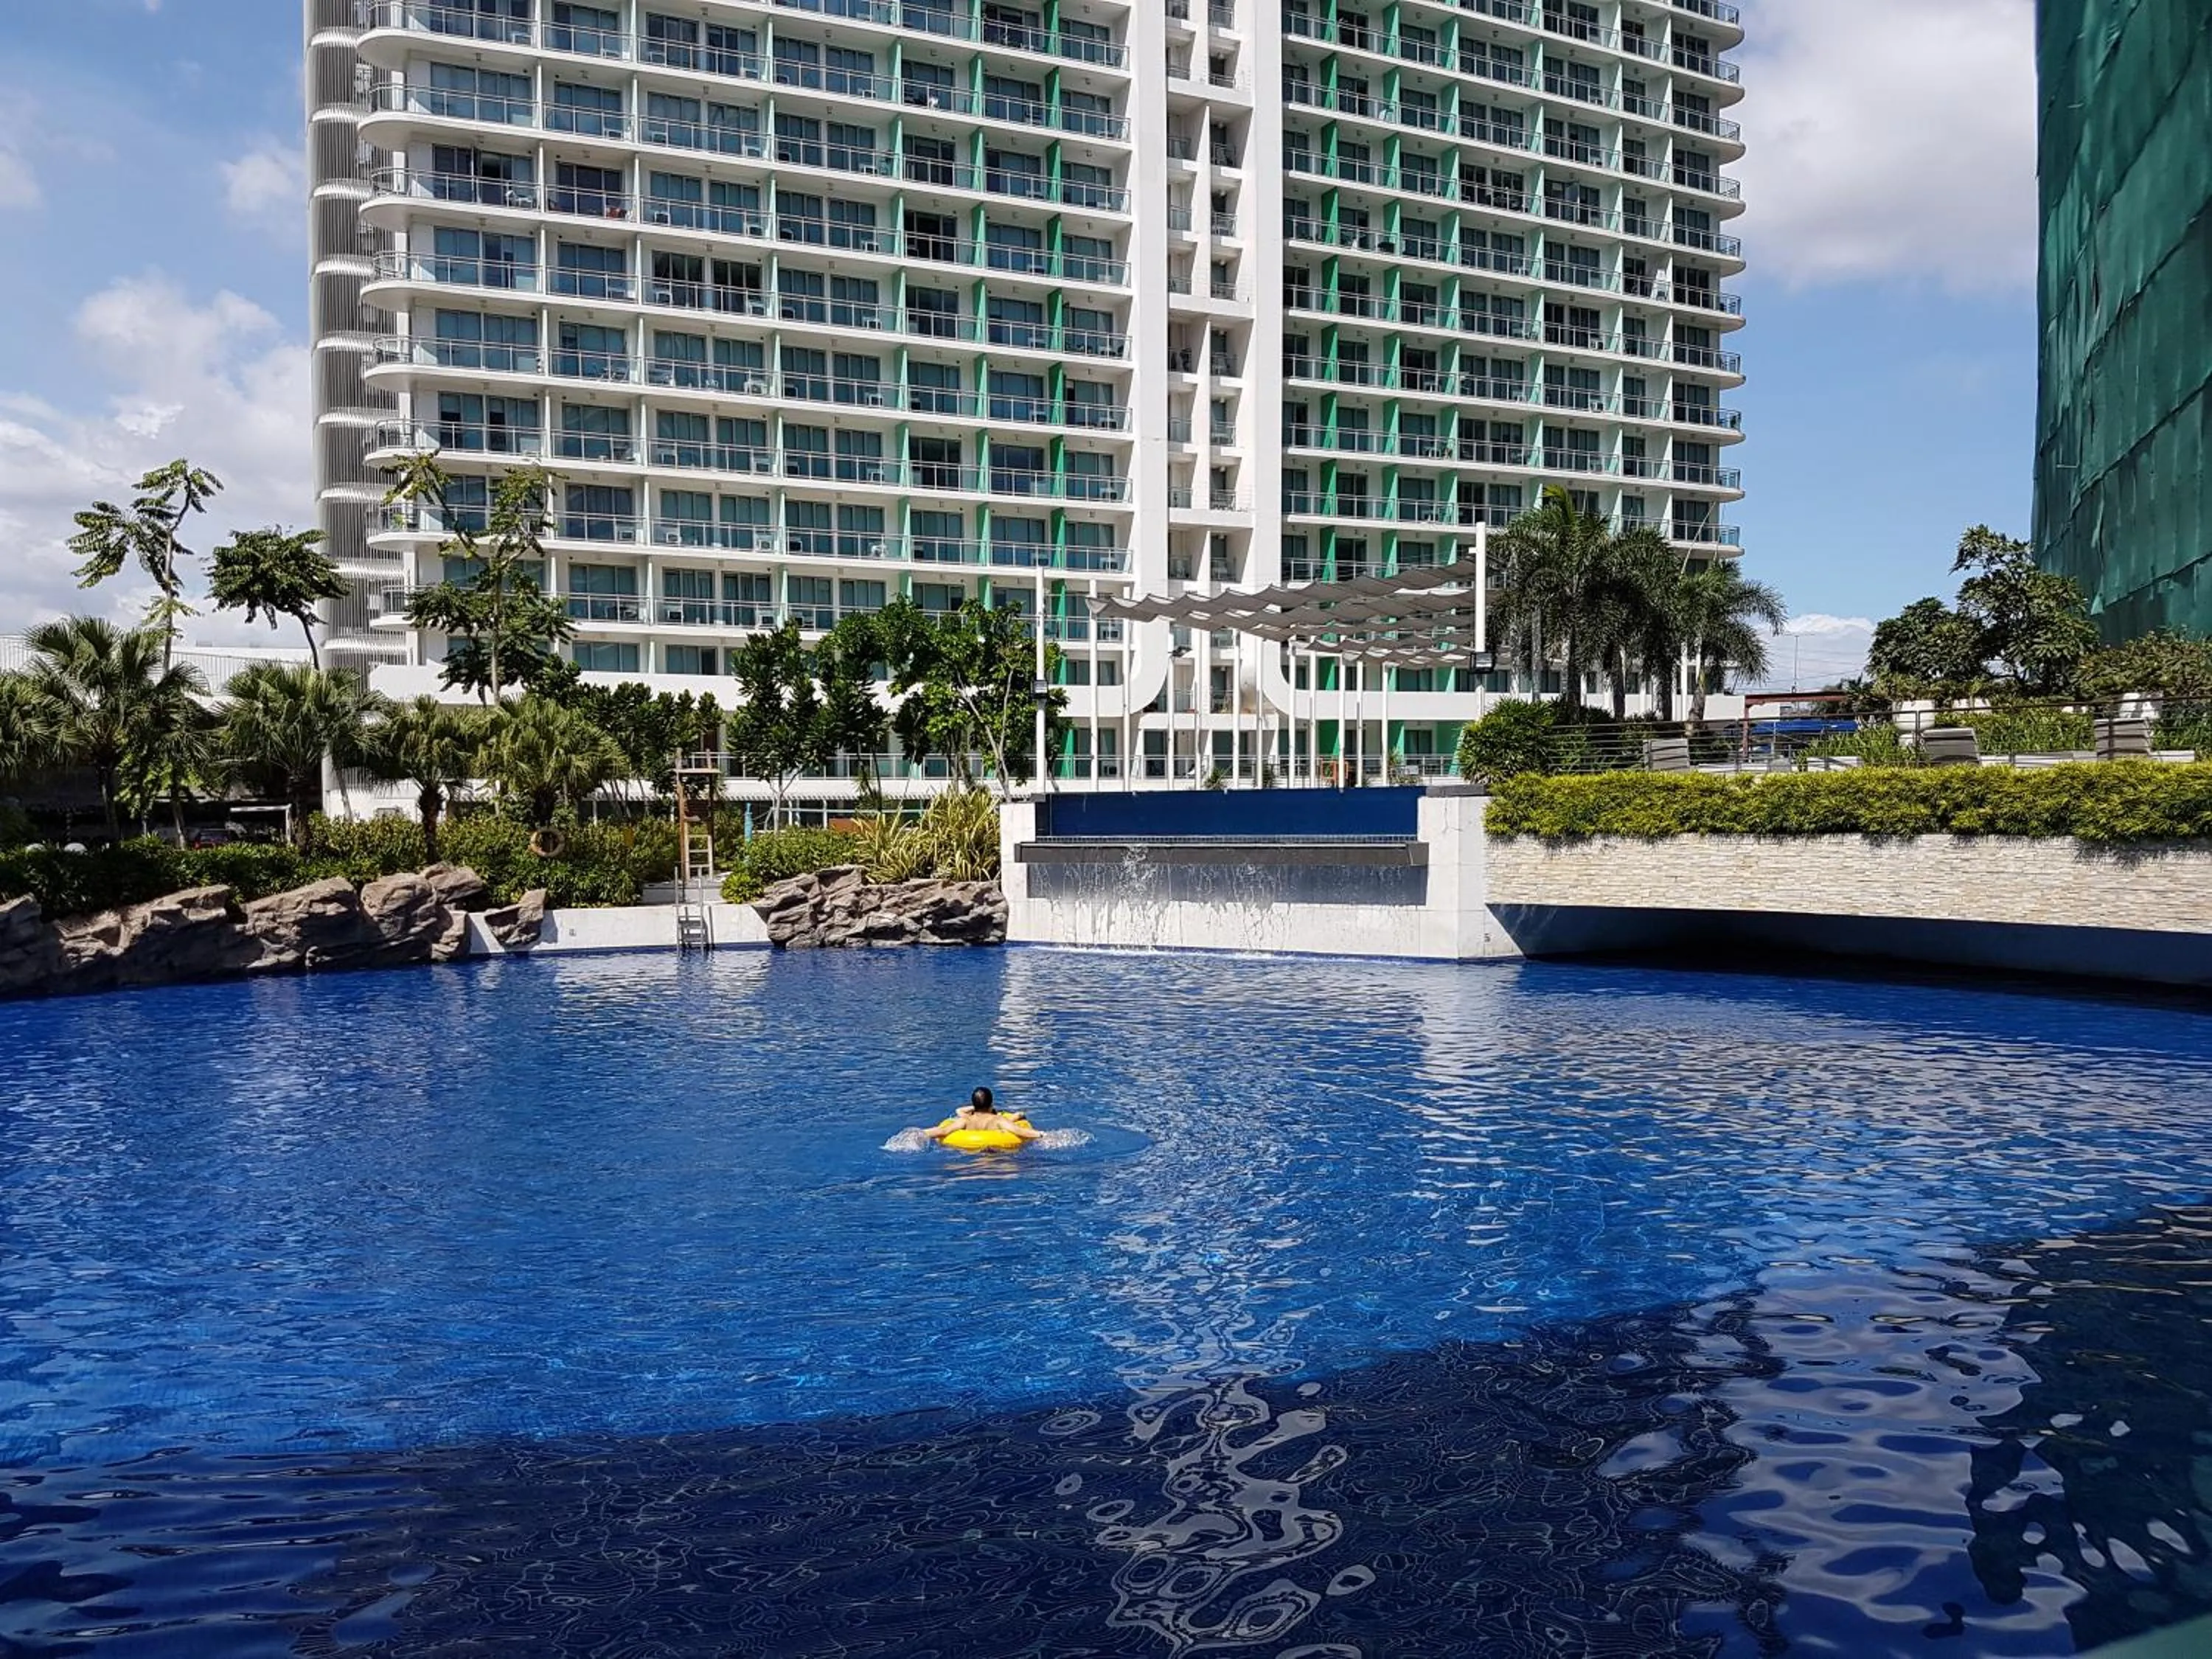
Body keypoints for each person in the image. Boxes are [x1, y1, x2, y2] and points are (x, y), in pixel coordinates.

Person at [921, 1087, 1043, 1144]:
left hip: (968, 1154)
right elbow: (1019, 1131)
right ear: (991, 1104)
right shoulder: (998, 1120)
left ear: (974, 1105)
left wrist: (921, 1133)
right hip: (998, 1155)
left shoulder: (966, 1120)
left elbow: (943, 1131)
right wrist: (1041, 1135)